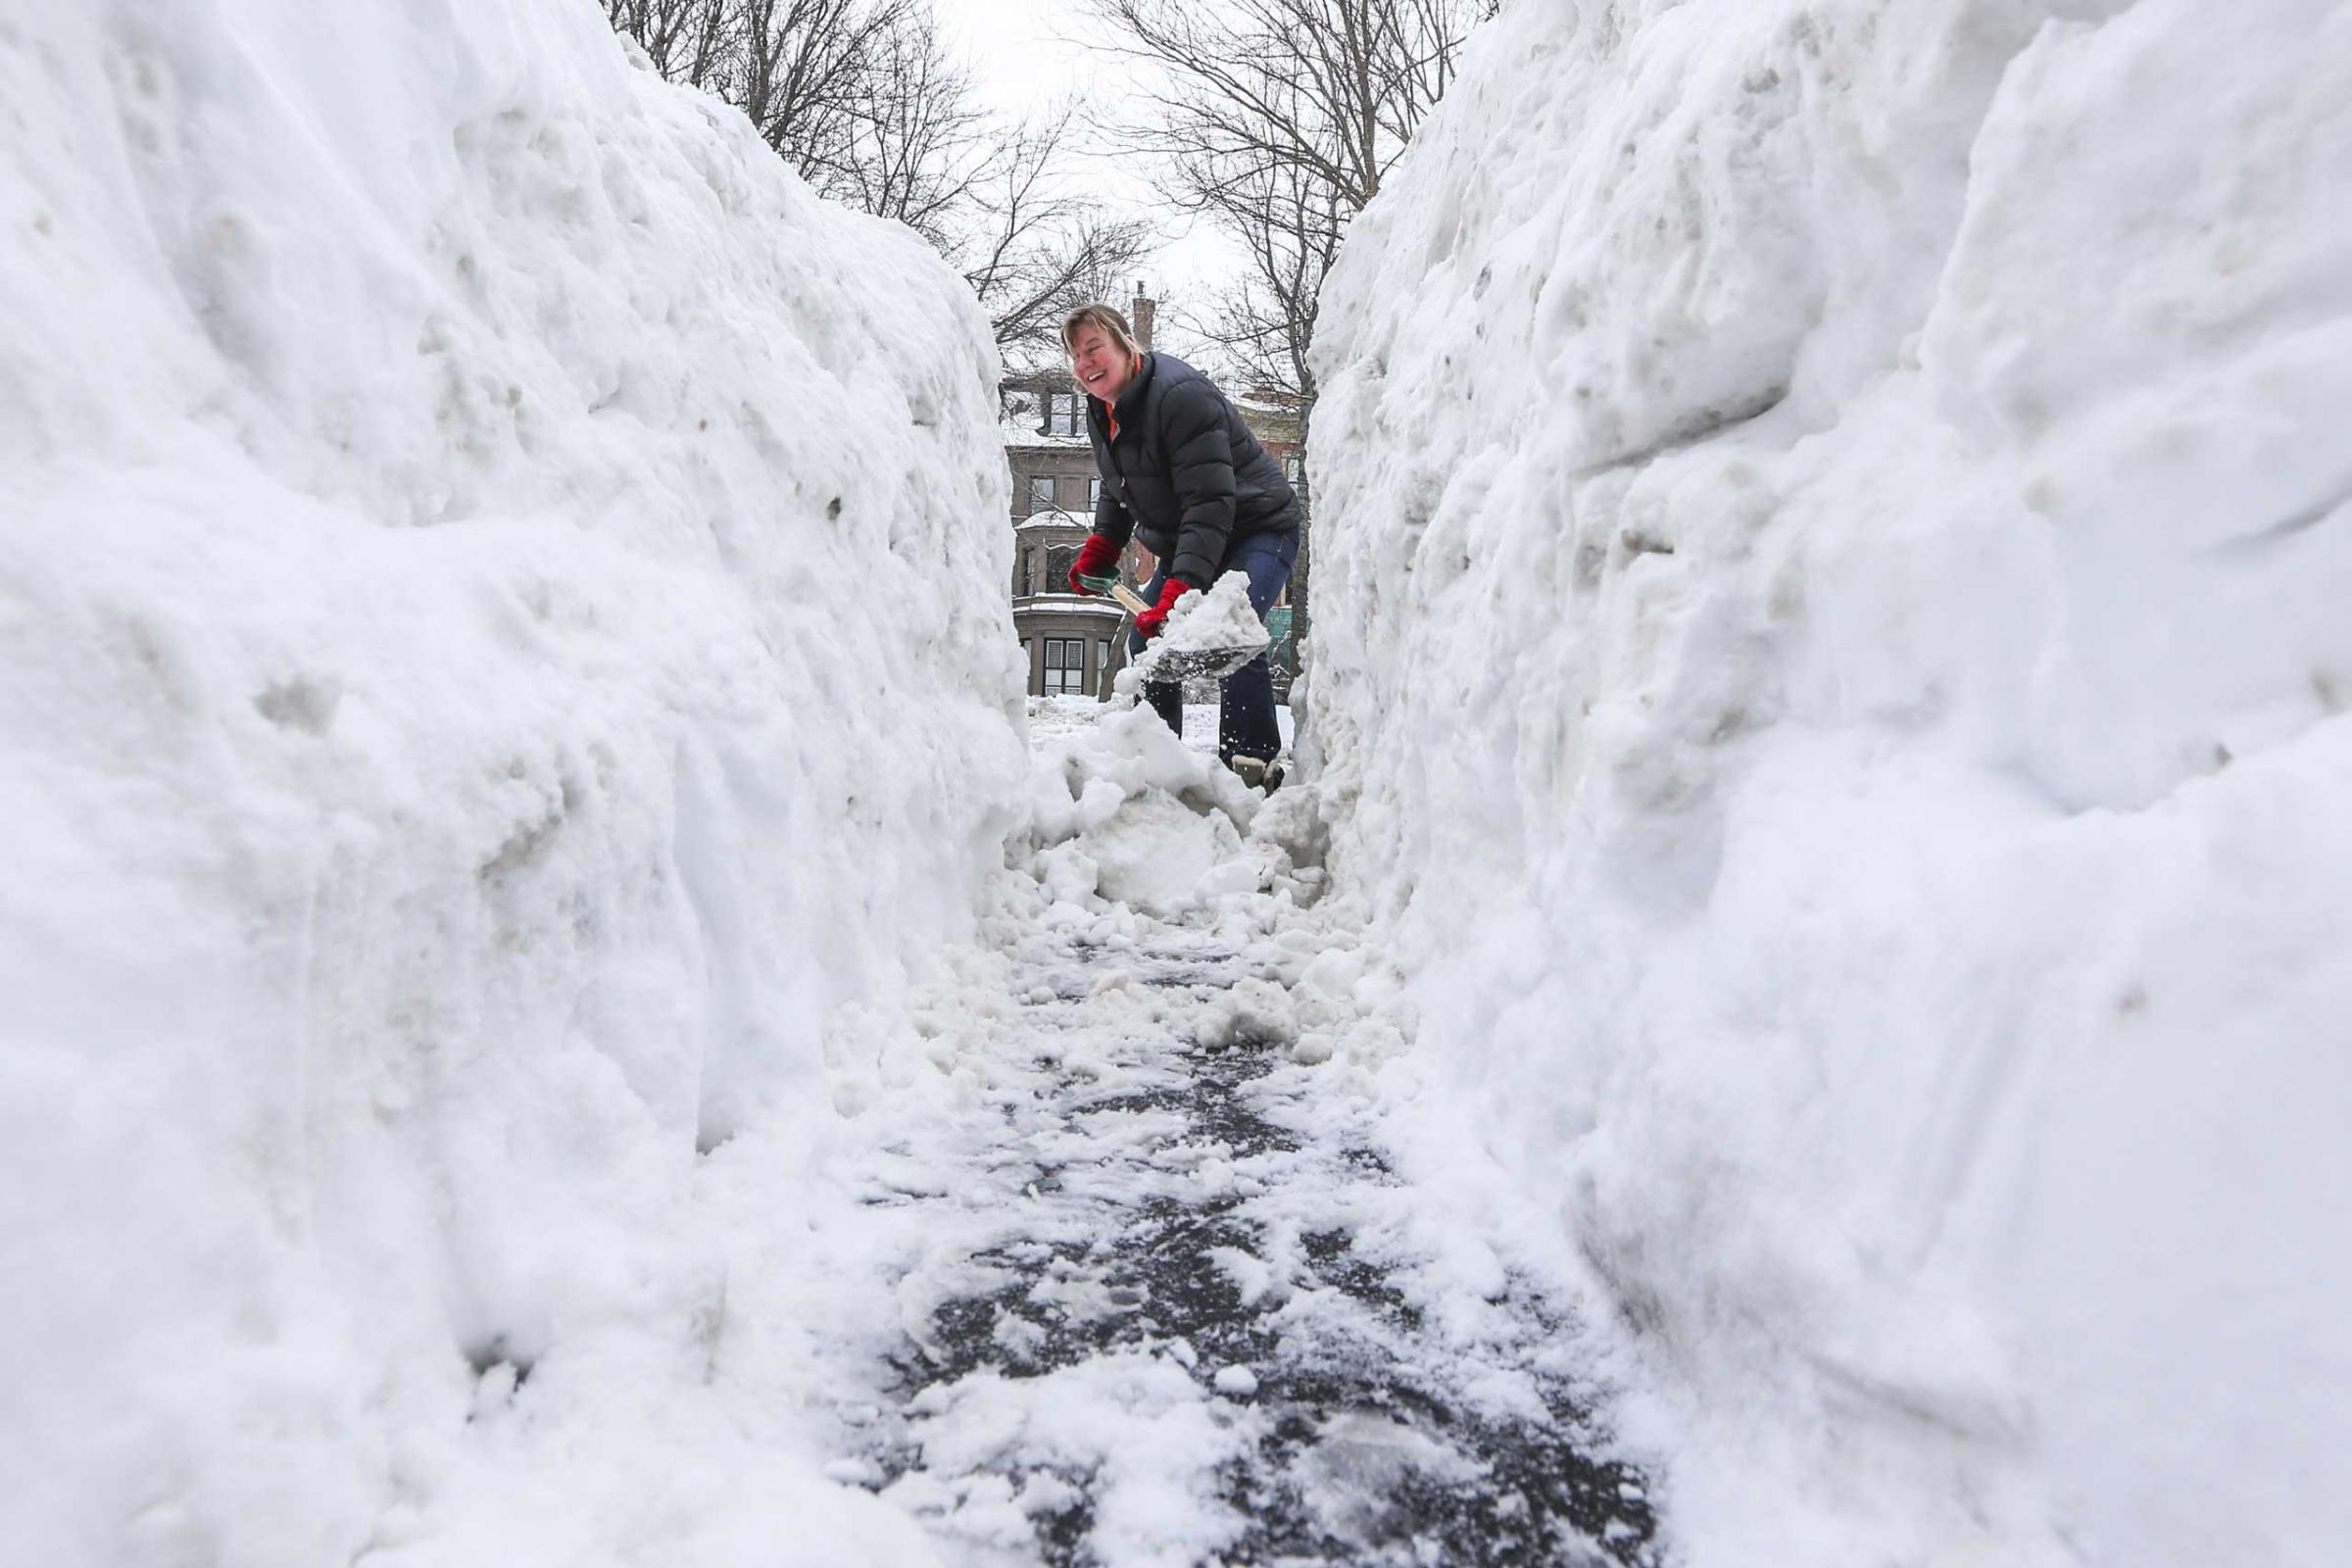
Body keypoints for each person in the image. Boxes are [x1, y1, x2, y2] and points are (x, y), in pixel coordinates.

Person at [1059, 303, 1301, 787]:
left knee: (1233, 633)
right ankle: (1156, 765)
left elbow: (1209, 502)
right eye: (1075, 355)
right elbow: (1119, 483)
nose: (1085, 363)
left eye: (1094, 348)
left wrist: (1180, 589)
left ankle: (1251, 768)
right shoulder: (1102, 407)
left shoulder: (1180, 396)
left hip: (1255, 528)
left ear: (1127, 344)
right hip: (1193, 538)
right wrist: (1104, 546)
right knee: (1147, 642)